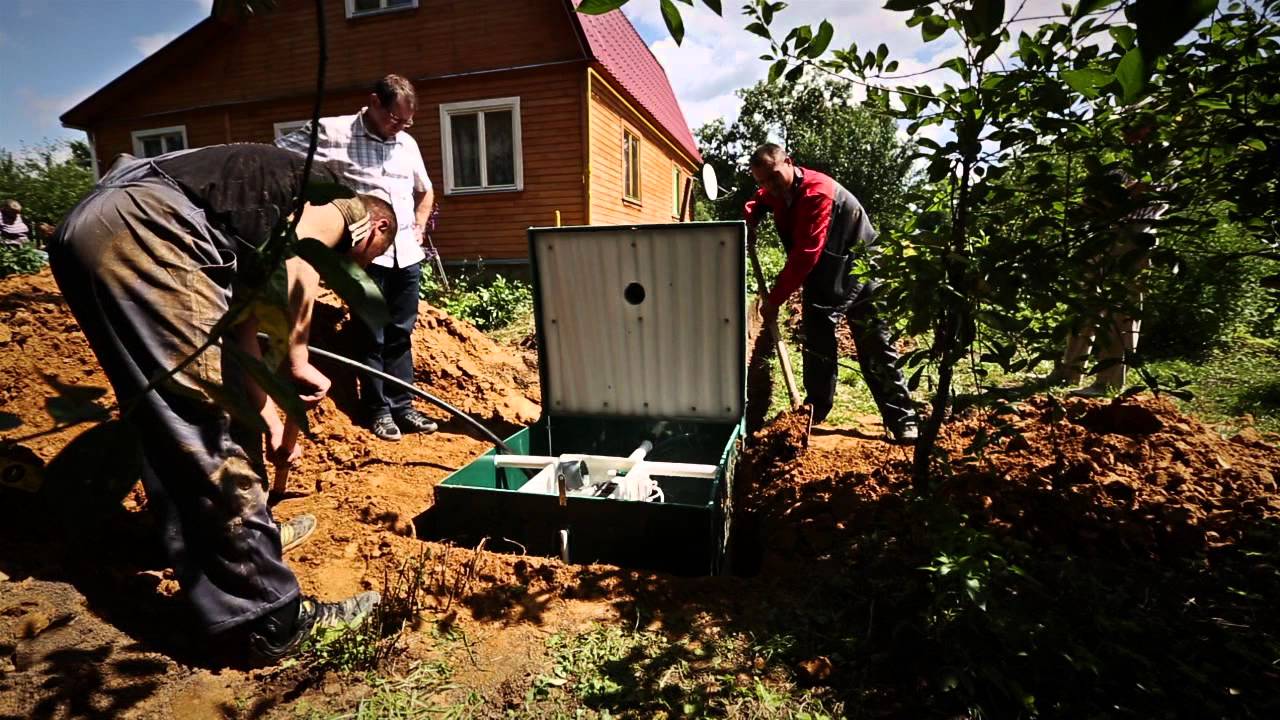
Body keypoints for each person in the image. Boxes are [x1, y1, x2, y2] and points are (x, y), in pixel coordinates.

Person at [47, 143, 397, 663]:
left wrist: (269, 410)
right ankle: (266, 616)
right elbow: (306, 258)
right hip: (153, 231)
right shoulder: (339, 202)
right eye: (364, 260)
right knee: (204, 423)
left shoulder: (252, 217)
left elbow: (240, 325)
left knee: (166, 414)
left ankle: (204, 551)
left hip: (93, 230)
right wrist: (297, 358)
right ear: (377, 229)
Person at [277, 74, 437, 442]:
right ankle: (377, 410)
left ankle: (403, 404)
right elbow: (279, 159)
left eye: (407, 122)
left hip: (406, 256)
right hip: (366, 258)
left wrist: (419, 229)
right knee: (372, 334)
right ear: (374, 103)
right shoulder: (331, 133)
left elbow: (425, 191)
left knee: (401, 332)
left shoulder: (406, 144)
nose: (399, 127)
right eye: (394, 118)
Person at [744, 143, 919, 442]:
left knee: (874, 340)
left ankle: (903, 419)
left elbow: (805, 254)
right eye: (762, 181)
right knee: (817, 335)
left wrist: (774, 301)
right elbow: (761, 199)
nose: (769, 186)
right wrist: (751, 214)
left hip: (859, 265)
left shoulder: (817, 193)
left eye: (774, 177)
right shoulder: (777, 191)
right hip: (826, 270)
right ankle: (815, 409)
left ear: (789, 162)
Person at [1058, 167, 1166, 397]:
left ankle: (1107, 381)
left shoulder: (1163, 160)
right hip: (1104, 232)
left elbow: (1133, 196)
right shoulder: (1121, 160)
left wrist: (1105, 200)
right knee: (1085, 302)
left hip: (1137, 234)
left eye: (1132, 128)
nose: (1126, 131)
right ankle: (1069, 371)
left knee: (1123, 311)